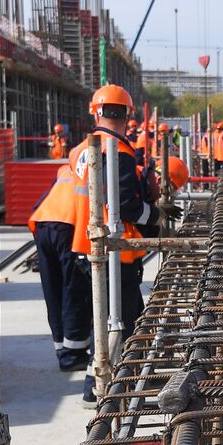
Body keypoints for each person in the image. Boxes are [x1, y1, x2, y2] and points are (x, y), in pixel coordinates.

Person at [64, 85, 176, 402]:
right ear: (127, 114)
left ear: (95, 111)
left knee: (101, 321)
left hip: (85, 245)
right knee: (126, 320)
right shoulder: (120, 152)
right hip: (116, 250)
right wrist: (156, 216)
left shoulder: (79, 150)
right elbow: (125, 205)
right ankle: (128, 386)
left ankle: (94, 386)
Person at [27, 162, 90, 371]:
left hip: (43, 222)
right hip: (69, 225)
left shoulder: (68, 167)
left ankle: (62, 348)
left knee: (53, 289)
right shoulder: (102, 166)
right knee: (74, 287)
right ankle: (73, 354)